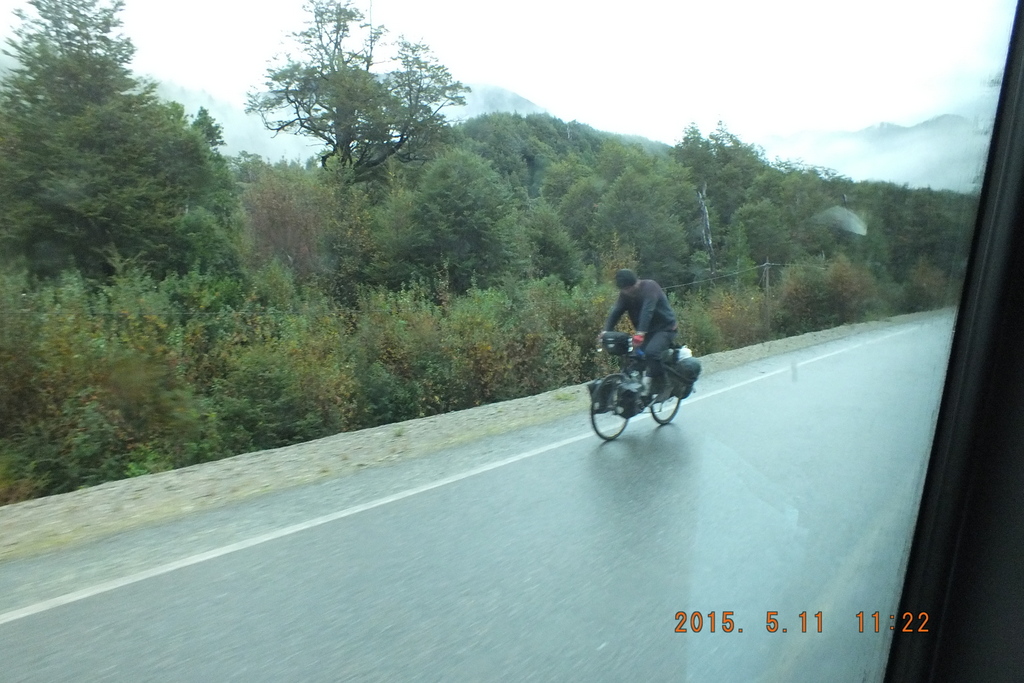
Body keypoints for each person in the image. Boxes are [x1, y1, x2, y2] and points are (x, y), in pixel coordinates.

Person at [600, 268, 679, 402]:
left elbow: (647, 310)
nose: (627, 292)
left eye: (629, 289)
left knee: (651, 353)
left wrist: (640, 333)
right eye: (624, 290)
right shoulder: (625, 294)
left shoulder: (650, 287)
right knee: (634, 358)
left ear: (635, 283)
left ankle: (666, 385)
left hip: (665, 328)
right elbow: (616, 311)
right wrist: (606, 331)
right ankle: (642, 391)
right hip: (647, 332)